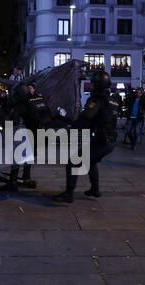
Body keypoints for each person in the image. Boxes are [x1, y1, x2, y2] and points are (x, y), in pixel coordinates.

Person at [53, 71, 118, 203]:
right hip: (108, 141)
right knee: (91, 161)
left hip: (101, 141)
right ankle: (95, 190)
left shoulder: (97, 100)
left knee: (73, 162)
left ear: (98, 85)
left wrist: (69, 132)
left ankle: (68, 194)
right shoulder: (113, 101)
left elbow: (86, 118)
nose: (92, 86)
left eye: (94, 84)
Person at [0, 83, 39, 193]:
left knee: (15, 157)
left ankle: (12, 182)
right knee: (27, 157)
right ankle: (26, 177)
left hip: (24, 134)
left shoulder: (21, 105)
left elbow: (11, 119)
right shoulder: (35, 101)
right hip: (35, 134)